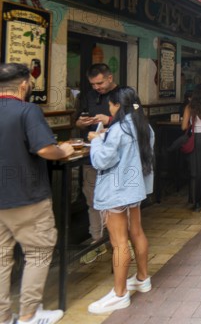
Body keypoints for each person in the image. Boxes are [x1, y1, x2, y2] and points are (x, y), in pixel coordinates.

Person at [0, 63, 75, 324]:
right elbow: (44, 149)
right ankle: (29, 314)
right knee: (38, 252)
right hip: (27, 196)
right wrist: (63, 151)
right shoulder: (27, 110)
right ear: (23, 85)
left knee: (1, 258)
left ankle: (3, 316)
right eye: (30, 83)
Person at [86, 87, 154, 314]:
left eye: (111, 106)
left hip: (117, 191)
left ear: (117, 106)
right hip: (134, 189)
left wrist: (96, 140)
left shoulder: (119, 129)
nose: (109, 109)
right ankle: (142, 278)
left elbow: (102, 161)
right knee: (137, 231)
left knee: (119, 242)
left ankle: (119, 294)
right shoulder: (144, 126)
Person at [75, 63, 120, 264]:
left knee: (116, 202)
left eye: (100, 83)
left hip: (116, 158)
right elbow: (76, 119)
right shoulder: (87, 95)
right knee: (92, 199)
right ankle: (97, 241)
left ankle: (119, 242)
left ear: (110, 78)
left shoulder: (125, 94)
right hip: (91, 156)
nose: (97, 87)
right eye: (93, 84)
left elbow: (135, 121)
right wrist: (80, 123)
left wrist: (109, 119)